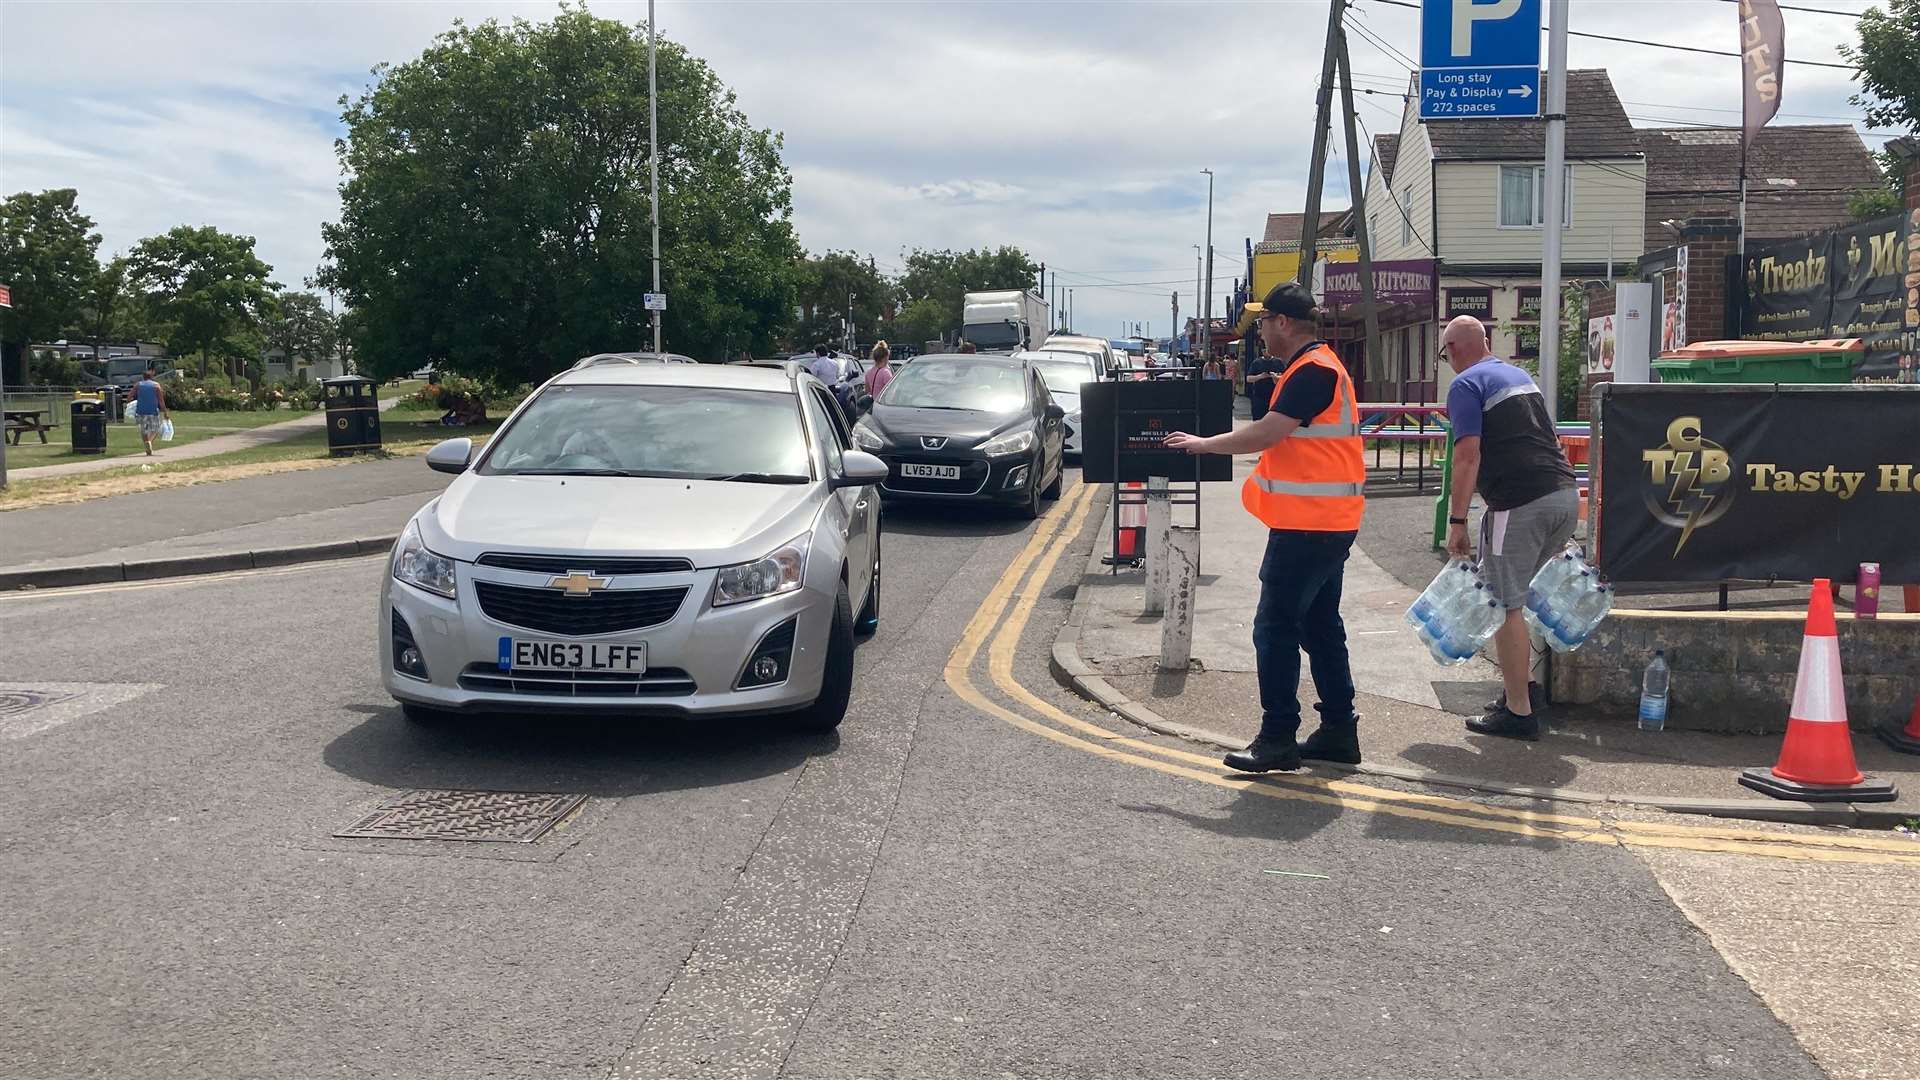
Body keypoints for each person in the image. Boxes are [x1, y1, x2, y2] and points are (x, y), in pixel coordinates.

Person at [1163, 281, 1366, 772]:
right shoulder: (1316, 366)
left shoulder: (1313, 370)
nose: (1258, 333)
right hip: (1326, 523)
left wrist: (1203, 443)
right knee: (1320, 627)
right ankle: (1339, 731)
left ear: (1283, 323)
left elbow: (1270, 431)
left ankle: (1277, 737)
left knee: (1273, 627)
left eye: (1262, 322)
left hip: (1308, 527)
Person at [1441, 315, 1580, 741]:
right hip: (1562, 494)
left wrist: (1457, 521)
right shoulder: (1519, 376)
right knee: (1524, 598)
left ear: (1454, 350)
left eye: (1445, 353)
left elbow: (1467, 456)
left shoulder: (1466, 385)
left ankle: (1518, 713)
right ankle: (1525, 690)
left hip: (1519, 504)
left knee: (1504, 604)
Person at [131, 364, 171, 455]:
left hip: (140, 411)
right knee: (156, 428)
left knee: (143, 430)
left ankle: (147, 445)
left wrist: (131, 404)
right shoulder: (156, 386)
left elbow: (130, 397)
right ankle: (149, 442)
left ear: (143, 377)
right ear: (152, 376)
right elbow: (161, 400)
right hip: (153, 411)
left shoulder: (138, 385)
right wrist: (165, 411)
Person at [1243, 348, 1282, 421]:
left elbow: (1285, 376)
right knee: (1258, 419)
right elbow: (1248, 378)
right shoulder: (1256, 362)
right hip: (1259, 396)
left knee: (1273, 420)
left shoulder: (1278, 362)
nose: (1266, 352)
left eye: (1267, 350)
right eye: (1264, 350)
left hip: (1274, 395)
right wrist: (1260, 376)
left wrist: (1276, 377)